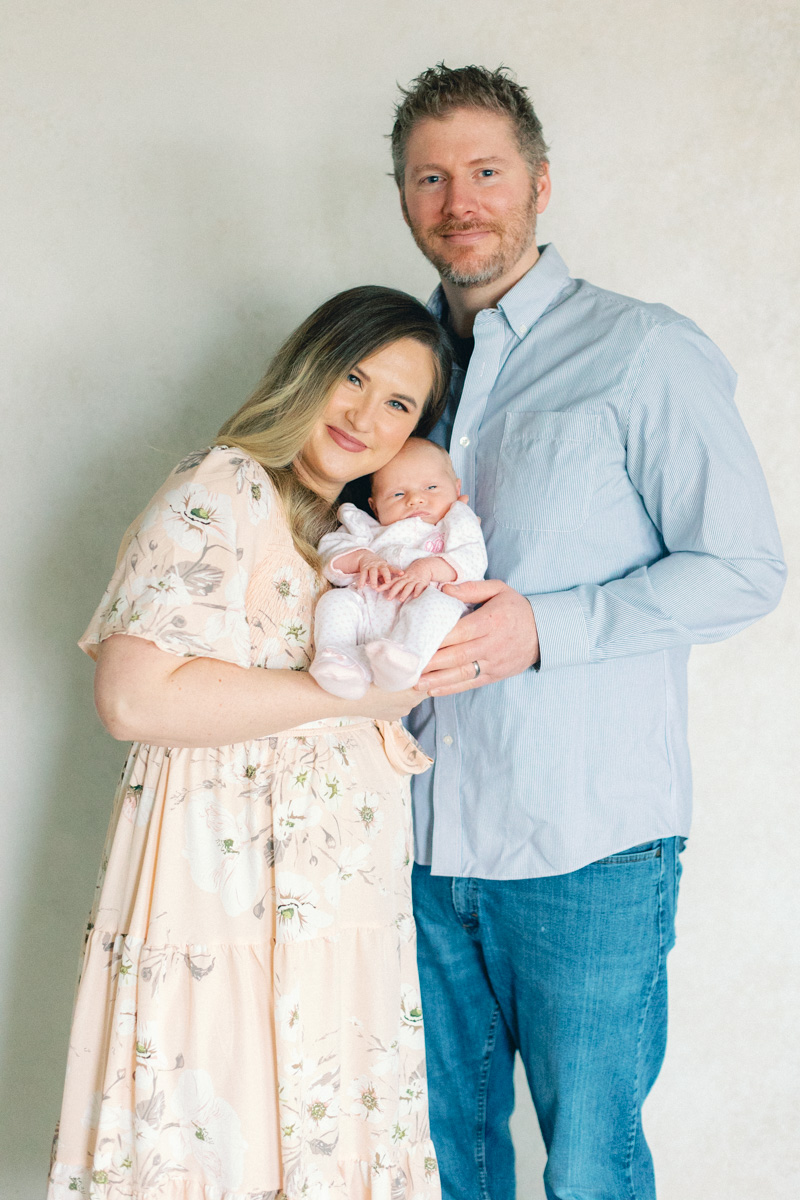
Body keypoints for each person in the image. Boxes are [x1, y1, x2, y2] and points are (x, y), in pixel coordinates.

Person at [388, 64, 787, 1200]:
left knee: (588, 1172)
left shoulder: (641, 349)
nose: (457, 199)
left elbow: (744, 570)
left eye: (484, 171)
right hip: (412, 848)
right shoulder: (392, 378)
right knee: (435, 1165)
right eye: (429, 176)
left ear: (539, 184)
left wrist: (545, 628)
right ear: (403, 198)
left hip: (585, 848)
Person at [47, 286, 451, 1200]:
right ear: (309, 368)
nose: (365, 415)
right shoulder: (222, 485)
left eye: (398, 403)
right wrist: (348, 697)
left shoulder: (346, 538)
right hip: (221, 910)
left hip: (331, 921)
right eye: (353, 376)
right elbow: (134, 698)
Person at [310, 437, 487, 698]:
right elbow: (329, 552)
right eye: (398, 494)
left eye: (431, 487)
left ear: (456, 488)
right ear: (375, 506)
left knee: (440, 606)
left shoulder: (456, 524)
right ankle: (340, 658)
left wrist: (428, 568)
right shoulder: (367, 529)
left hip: (425, 612)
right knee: (335, 601)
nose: (415, 499)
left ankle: (403, 662)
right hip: (368, 610)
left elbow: (473, 561)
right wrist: (363, 559)